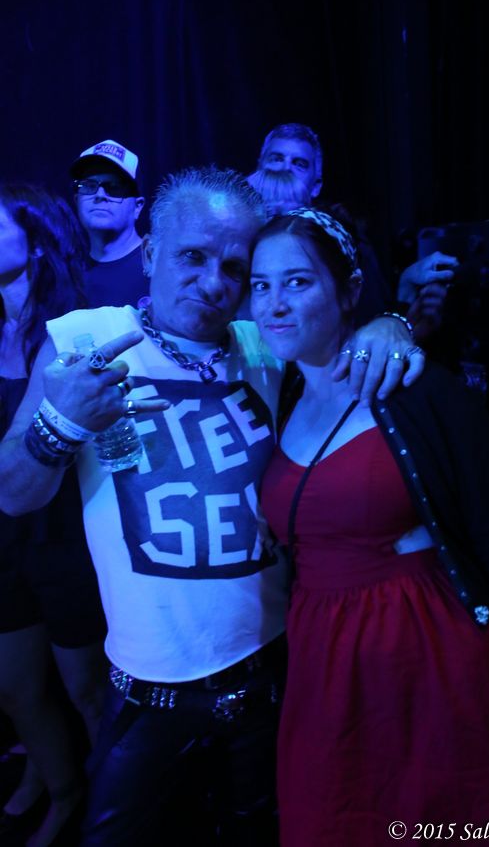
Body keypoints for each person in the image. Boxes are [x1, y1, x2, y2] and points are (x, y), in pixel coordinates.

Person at [0, 168, 420, 846]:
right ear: (150, 255)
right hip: (149, 688)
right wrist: (60, 423)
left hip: (272, 671)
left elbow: (350, 332)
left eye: (234, 267)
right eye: (193, 257)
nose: (213, 282)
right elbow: (11, 493)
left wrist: (391, 323)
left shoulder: (265, 342)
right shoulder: (86, 337)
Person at [249, 208, 489, 847]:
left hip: (426, 661)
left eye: (298, 281)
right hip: (324, 677)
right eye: (261, 285)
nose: (274, 304)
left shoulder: (418, 389)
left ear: (348, 289)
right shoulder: (279, 390)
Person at [0, 183, 108, 847]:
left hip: (63, 537)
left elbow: (21, 452)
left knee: (87, 693)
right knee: (14, 689)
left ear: (35, 244)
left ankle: (108, 810)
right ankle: (57, 784)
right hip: (4, 540)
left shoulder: (69, 328)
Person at [256, 122, 458, 335]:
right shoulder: (242, 237)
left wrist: (405, 297)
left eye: (299, 164)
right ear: (259, 168)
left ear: (316, 185)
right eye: (276, 159)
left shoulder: (344, 244)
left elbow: (371, 325)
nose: (285, 169)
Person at [70, 138, 148, 308]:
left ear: (137, 207)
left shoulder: (159, 267)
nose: (100, 195)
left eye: (114, 187)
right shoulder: (66, 274)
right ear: (77, 201)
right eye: (89, 186)